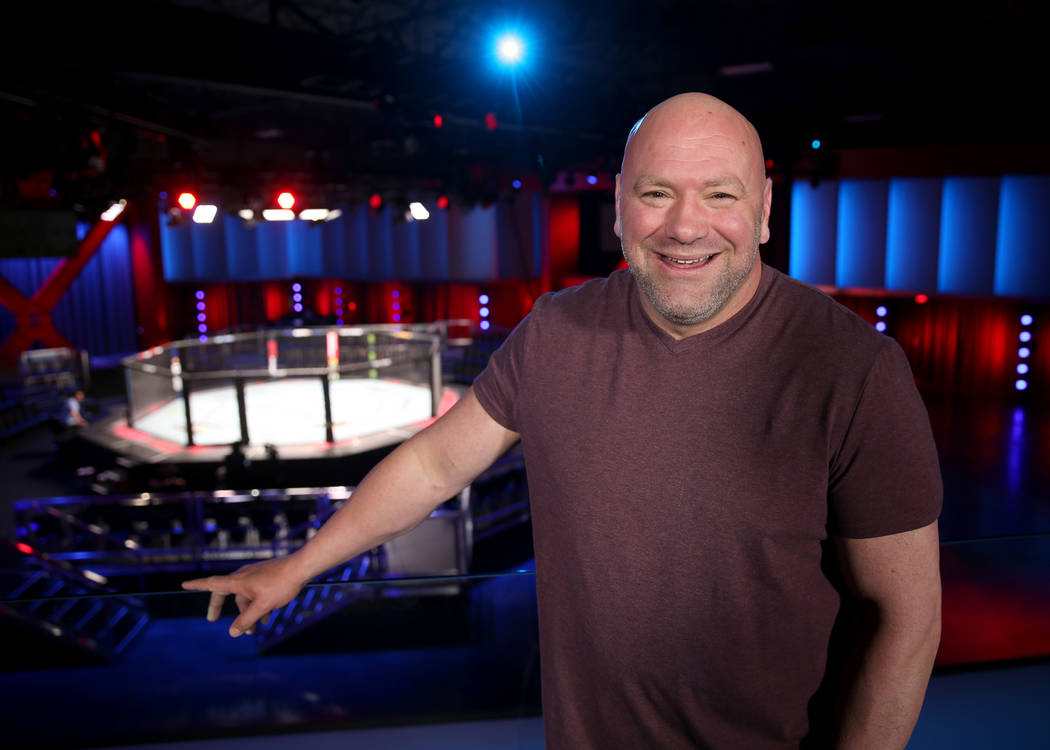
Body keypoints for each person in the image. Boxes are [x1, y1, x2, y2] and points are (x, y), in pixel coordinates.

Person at [184, 93, 942, 749]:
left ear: (765, 212)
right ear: (617, 205)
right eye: (656, 193)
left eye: (720, 195)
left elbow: (906, 622)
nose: (685, 226)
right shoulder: (555, 332)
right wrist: (296, 568)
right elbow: (433, 466)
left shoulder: (854, 370)